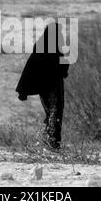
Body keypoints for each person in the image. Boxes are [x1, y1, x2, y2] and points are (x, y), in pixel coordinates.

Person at [16, 22, 69, 150]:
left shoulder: (42, 44)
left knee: (51, 113)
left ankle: (49, 142)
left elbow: (30, 66)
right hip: (53, 87)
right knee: (54, 113)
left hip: (44, 87)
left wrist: (23, 89)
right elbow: (61, 67)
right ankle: (53, 143)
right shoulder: (53, 47)